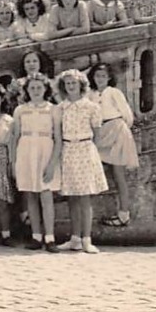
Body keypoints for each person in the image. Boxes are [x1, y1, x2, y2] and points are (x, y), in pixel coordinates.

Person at [55, 69, 108, 254]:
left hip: (85, 149)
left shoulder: (91, 107)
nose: (70, 87)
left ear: (81, 85)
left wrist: (90, 152)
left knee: (85, 197)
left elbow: (98, 134)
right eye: (67, 84)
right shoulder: (60, 108)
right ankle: (74, 238)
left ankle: (87, 239)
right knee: (72, 198)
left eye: (74, 83)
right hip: (68, 150)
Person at [12, 73, 61, 252]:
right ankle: (36, 236)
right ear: (26, 90)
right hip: (26, 151)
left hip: (45, 151)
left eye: (39, 87)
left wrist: (52, 164)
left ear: (46, 89)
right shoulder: (20, 110)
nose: (35, 91)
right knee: (31, 195)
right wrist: (14, 161)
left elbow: (58, 139)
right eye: (32, 88)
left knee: (46, 195)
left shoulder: (53, 110)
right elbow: (15, 137)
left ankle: (50, 238)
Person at [86, 61, 137, 228]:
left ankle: (124, 214)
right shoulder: (89, 94)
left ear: (109, 78)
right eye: (97, 75)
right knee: (91, 170)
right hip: (99, 132)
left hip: (116, 130)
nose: (100, 79)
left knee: (118, 174)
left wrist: (120, 130)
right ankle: (87, 215)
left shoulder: (114, 92)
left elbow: (127, 115)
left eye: (103, 76)